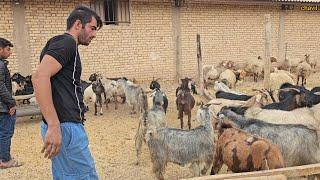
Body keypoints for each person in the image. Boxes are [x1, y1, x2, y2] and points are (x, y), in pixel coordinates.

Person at [32, 6, 102, 179]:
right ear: (78, 24)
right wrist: (54, 125)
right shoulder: (67, 42)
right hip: (65, 127)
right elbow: (39, 77)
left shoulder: (63, 44)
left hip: (63, 126)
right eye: (92, 28)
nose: (94, 34)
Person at [0, 38, 23, 169]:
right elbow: (0, 86)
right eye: (8, 49)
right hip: (3, 107)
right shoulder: (1, 65)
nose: (10, 52)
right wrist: (11, 103)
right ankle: (4, 160)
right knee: (5, 133)